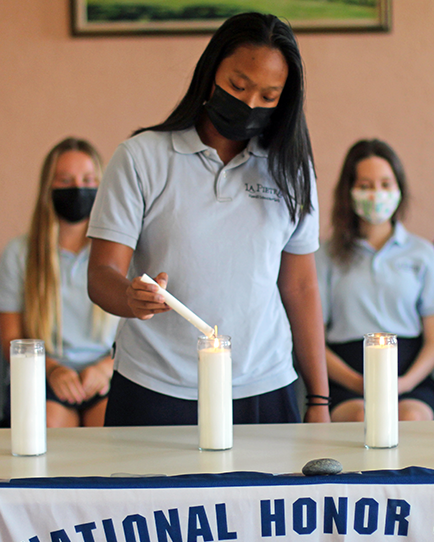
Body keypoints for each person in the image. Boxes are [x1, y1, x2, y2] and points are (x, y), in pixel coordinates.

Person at [86, 13, 330, 426]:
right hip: (155, 386)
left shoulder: (292, 169)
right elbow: (101, 273)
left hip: (262, 386)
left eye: (268, 96)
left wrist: (319, 400)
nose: (250, 103)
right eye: (238, 85)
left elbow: (301, 287)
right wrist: (129, 297)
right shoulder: (142, 157)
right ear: (210, 72)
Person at [316, 139, 434, 422]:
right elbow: (314, 338)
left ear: (399, 189)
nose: (376, 194)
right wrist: (355, 382)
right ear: (348, 192)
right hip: (346, 376)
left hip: (409, 375)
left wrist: (406, 383)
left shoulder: (422, 253)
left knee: (410, 417)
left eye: (385, 184)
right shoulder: (326, 254)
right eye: (365, 185)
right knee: (361, 418)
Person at [0, 137, 117, 427]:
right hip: (43, 374)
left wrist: (105, 369)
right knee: (49, 426)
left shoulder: (119, 254)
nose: (78, 188)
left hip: (105, 375)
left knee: (111, 433)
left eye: (88, 179)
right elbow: (10, 339)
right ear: (48, 188)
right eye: (65, 180)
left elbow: (142, 332)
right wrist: (52, 371)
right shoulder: (18, 254)